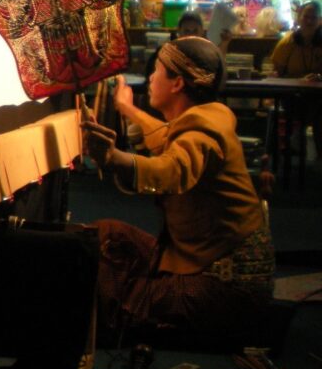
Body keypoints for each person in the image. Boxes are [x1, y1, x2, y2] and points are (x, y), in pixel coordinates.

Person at [82, 37, 275, 340]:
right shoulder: (207, 118)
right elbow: (164, 136)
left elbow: (171, 170)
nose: (150, 77)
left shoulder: (202, 132)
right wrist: (127, 109)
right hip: (207, 259)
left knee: (120, 297)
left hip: (225, 286)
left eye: (157, 70)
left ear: (177, 84)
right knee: (104, 235)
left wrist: (112, 157)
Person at [269, 0, 322, 158]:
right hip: (292, 97)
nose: (309, 21)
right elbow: (276, 71)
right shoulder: (287, 42)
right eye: (306, 16)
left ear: (320, 20)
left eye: (314, 17)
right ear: (299, 17)